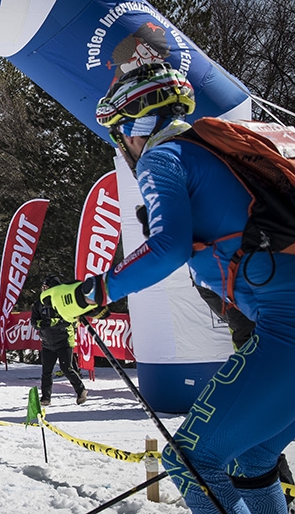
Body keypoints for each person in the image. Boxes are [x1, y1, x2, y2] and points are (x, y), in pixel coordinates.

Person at [41, 61, 295, 514]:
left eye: (120, 135)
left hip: (287, 326)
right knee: (253, 462)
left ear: (133, 126)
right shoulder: (210, 151)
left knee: (190, 462)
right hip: (282, 319)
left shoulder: (164, 156)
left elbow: (168, 248)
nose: (124, 148)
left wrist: (90, 294)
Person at [31, 274, 87, 407]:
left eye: (47, 287)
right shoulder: (38, 304)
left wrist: (53, 322)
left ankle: (81, 390)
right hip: (47, 342)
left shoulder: (63, 301)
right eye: (43, 287)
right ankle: (45, 398)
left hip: (64, 340)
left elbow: (70, 320)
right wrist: (41, 324)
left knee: (66, 368)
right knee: (46, 371)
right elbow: (34, 321)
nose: (44, 290)